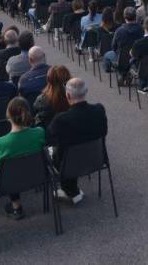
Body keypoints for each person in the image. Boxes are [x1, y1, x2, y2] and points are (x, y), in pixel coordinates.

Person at [48, 77, 107, 205]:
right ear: (86, 92)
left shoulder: (61, 120)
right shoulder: (99, 110)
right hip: (97, 159)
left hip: (69, 165)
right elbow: (104, 132)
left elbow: (49, 139)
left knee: (57, 150)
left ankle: (69, 191)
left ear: (68, 96)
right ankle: (71, 191)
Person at [0, 97, 46, 220]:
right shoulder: (39, 132)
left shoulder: (1, 143)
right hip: (38, 175)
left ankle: (16, 207)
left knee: (9, 170)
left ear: (8, 115)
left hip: (11, 181)